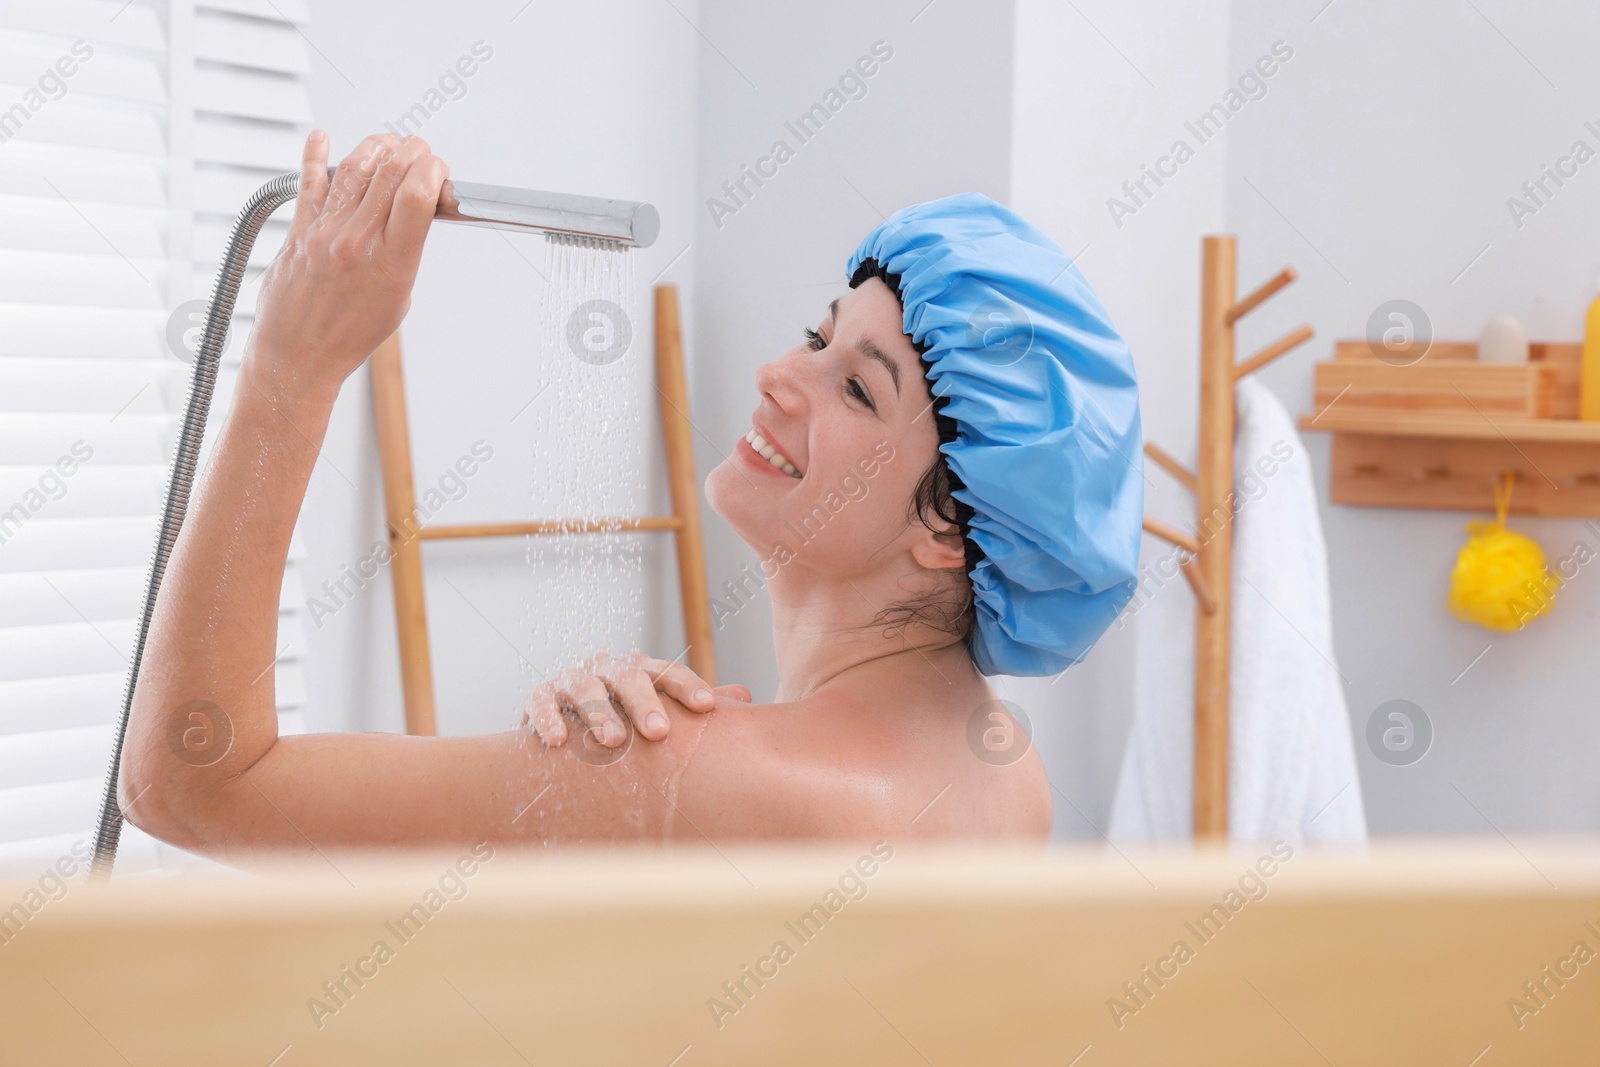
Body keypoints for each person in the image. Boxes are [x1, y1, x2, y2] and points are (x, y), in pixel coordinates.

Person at [119, 131, 1142, 865]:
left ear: (949, 533)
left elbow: (192, 781)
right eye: (821, 335)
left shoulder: (683, 772)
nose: (784, 375)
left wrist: (291, 365)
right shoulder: (1007, 774)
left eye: (857, 388)